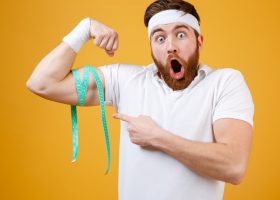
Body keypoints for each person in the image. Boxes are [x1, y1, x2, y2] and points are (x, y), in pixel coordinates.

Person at [26, 0, 254, 199]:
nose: (171, 46)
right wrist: (83, 30)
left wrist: (157, 137)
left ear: (199, 41)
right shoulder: (124, 80)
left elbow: (234, 166)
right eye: (160, 38)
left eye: (181, 34)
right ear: (152, 47)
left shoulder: (225, 82)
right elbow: (42, 83)